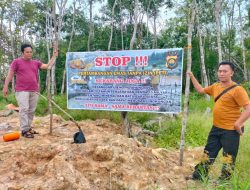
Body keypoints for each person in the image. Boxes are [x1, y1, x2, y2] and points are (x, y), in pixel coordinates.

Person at [186, 61, 250, 181]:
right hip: (216, 128)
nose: (221, 73)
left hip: (230, 131)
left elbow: (248, 108)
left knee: (228, 157)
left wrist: (238, 123)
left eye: (225, 71)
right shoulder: (216, 86)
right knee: (208, 153)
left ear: (231, 73)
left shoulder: (238, 90)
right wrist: (192, 76)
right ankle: (199, 175)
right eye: (220, 71)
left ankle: (224, 181)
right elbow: (200, 90)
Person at [2, 43, 58, 138]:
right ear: (22, 52)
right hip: (22, 90)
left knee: (31, 110)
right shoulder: (16, 62)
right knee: (24, 109)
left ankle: (28, 128)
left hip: (34, 90)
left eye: (31, 52)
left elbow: (48, 66)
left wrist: (54, 56)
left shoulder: (35, 63)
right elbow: (10, 74)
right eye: (27, 52)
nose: (29, 54)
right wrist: (5, 86)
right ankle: (24, 130)